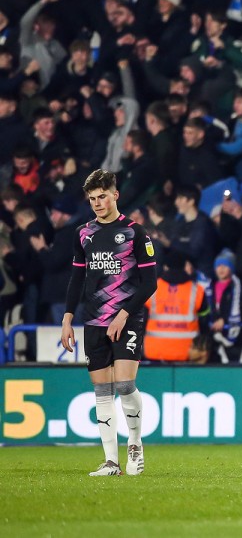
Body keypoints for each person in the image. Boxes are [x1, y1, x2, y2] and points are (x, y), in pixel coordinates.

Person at [60, 169, 159, 477]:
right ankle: (110, 461)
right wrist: (67, 319)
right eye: (92, 199)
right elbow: (77, 278)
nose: (97, 203)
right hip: (94, 320)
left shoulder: (135, 233)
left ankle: (135, 443)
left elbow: (149, 283)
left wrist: (124, 313)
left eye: (102, 196)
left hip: (127, 317)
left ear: (115, 195)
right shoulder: (83, 233)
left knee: (125, 384)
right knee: (101, 391)